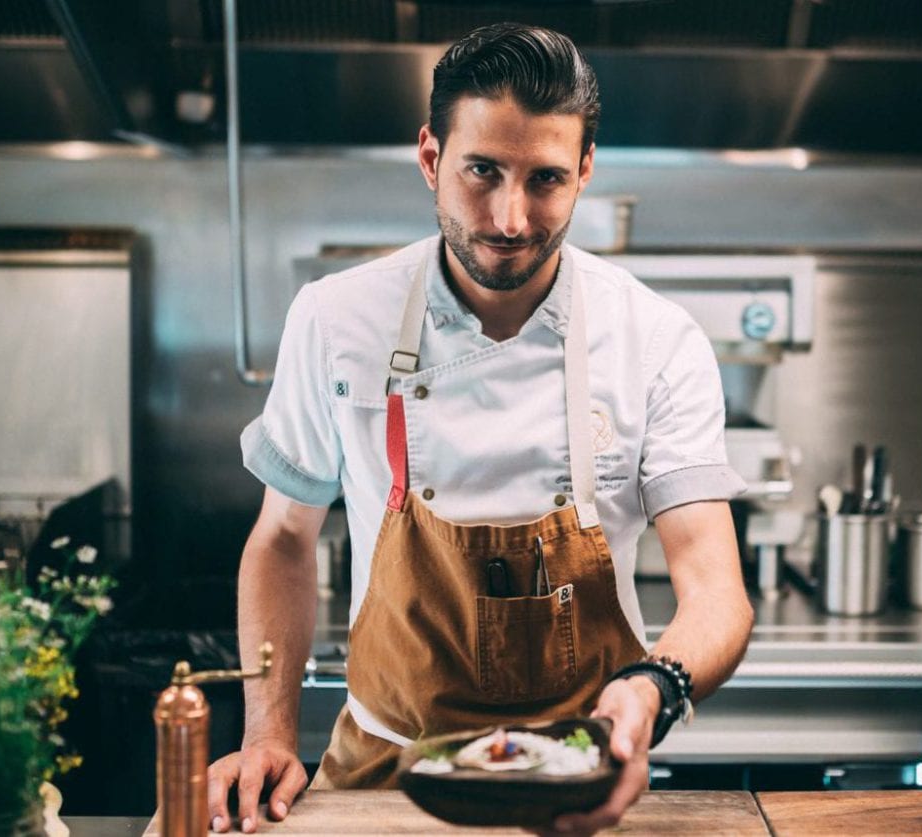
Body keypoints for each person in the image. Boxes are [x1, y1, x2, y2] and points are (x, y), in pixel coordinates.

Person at [207, 22, 753, 836]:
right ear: (430, 157)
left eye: (545, 180)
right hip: (379, 777)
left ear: (586, 171)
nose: (509, 217)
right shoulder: (334, 318)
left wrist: (651, 691)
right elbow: (284, 537)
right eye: (482, 172)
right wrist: (267, 732)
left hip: (581, 784)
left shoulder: (654, 338)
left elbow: (715, 589)